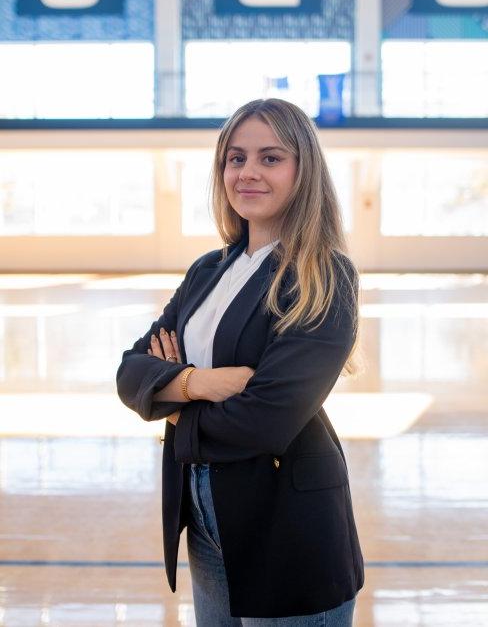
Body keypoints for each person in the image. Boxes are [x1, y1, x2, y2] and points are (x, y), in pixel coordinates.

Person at [116, 98, 364, 626]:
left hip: (287, 524)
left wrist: (172, 400)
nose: (248, 172)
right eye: (236, 158)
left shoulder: (324, 275)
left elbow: (265, 418)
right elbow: (131, 371)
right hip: (207, 516)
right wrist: (199, 383)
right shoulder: (208, 270)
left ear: (304, 171)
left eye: (270, 158)